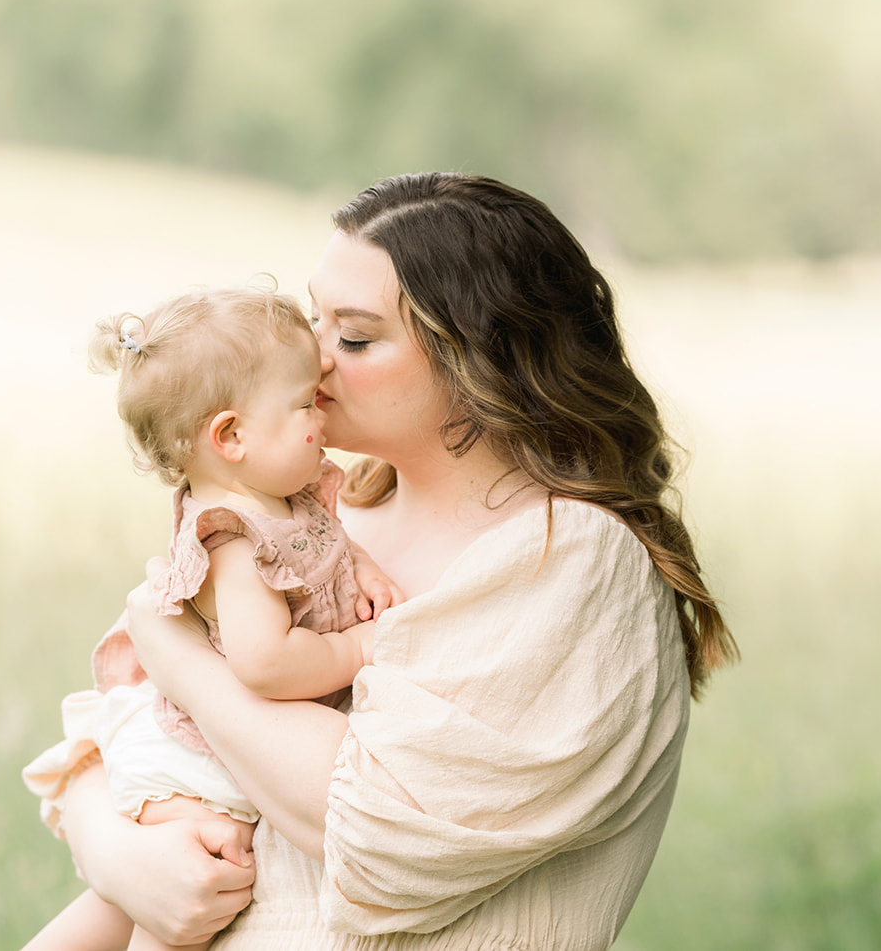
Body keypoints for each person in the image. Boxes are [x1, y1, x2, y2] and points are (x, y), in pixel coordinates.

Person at [51, 173, 738, 949]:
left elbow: (373, 830)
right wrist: (121, 859)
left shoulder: (570, 559)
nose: (311, 361)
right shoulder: (309, 512)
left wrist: (180, 656)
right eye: (315, 322)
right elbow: (110, 734)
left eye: (355, 337)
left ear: (484, 362)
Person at [20, 287, 404, 951]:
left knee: (115, 911)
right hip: (194, 759)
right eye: (305, 402)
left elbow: (329, 543)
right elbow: (265, 661)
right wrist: (356, 646)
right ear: (231, 435)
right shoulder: (233, 542)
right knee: (189, 892)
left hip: (205, 733)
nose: (323, 410)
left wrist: (363, 568)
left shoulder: (284, 492)